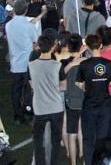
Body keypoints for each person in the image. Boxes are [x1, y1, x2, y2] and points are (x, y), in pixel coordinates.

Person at [76, 33, 111, 165]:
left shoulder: (84, 65)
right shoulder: (109, 64)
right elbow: (110, 83)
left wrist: (86, 87)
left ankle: (88, 162)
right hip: (105, 106)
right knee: (102, 139)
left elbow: (79, 83)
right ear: (101, 46)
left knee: (88, 138)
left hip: (89, 106)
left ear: (87, 46)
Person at [29, 33, 65, 165]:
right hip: (55, 107)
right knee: (56, 141)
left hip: (40, 108)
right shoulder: (57, 65)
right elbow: (63, 86)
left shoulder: (32, 65)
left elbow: (32, 84)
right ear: (53, 47)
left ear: (39, 46)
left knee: (38, 141)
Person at [5, 0, 40, 123]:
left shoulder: (8, 25)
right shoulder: (29, 26)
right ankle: (28, 112)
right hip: (27, 63)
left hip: (15, 63)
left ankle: (17, 115)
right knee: (28, 90)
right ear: (26, 10)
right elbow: (36, 43)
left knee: (16, 90)